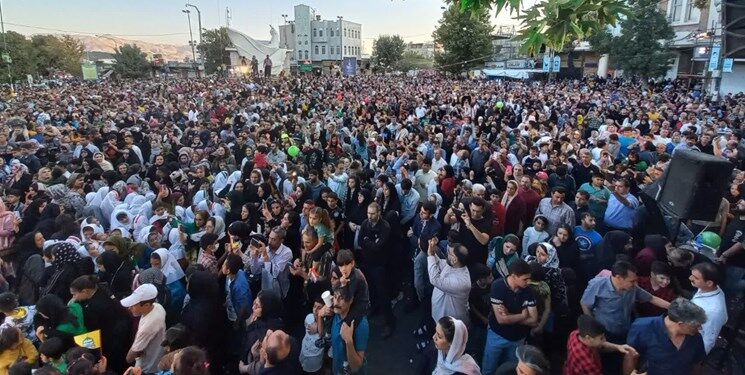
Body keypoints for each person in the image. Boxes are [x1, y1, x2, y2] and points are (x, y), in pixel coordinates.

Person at [580, 261, 670, 342]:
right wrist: (593, 329)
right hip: (605, 333)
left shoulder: (632, 288)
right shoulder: (598, 285)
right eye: (631, 281)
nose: (635, 284)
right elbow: (585, 304)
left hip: (625, 329)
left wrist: (672, 307)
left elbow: (652, 298)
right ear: (619, 278)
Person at [623, 298, 707, 375]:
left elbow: (697, 363)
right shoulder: (642, 327)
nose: (700, 328)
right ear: (681, 324)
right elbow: (631, 356)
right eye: (696, 325)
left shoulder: (695, 337)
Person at [482, 260, 537, 375]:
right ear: (513, 276)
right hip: (497, 336)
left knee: (512, 370)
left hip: (518, 339)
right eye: (525, 279)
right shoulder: (498, 286)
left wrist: (510, 315)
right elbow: (501, 320)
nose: (529, 282)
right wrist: (522, 315)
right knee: (489, 369)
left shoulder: (528, 291)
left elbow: (533, 320)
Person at [564, 315, 637, 375]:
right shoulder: (585, 358)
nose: (604, 340)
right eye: (601, 338)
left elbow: (601, 344)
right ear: (588, 338)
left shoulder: (575, 334)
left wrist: (618, 347)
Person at [121, 283, 166, 374]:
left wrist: (126, 361)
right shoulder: (158, 306)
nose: (130, 308)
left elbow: (131, 356)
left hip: (146, 368)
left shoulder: (148, 326)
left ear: (146, 305)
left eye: (133, 305)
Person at [325, 286, 369, 375]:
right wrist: (319, 315)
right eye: (335, 296)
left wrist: (348, 341)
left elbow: (356, 367)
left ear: (351, 300)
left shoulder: (360, 323)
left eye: (342, 298)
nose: (336, 302)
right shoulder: (336, 313)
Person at [427, 238, 471, 325]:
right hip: (440, 314)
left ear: (455, 259)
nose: (447, 254)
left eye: (449, 253)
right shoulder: (454, 265)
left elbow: (435, 280)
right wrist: (433, 251)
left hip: (450, 323)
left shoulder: (461, 283)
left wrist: (430, 255)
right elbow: (440, 263)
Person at [689, 262, 728, 354]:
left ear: (709, 283)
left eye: (696, 278)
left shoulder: (713, 311)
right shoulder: (708, 288)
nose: (690, 278)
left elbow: (709, 340)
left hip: (694, 341)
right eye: (692, 275)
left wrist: (697, 359)